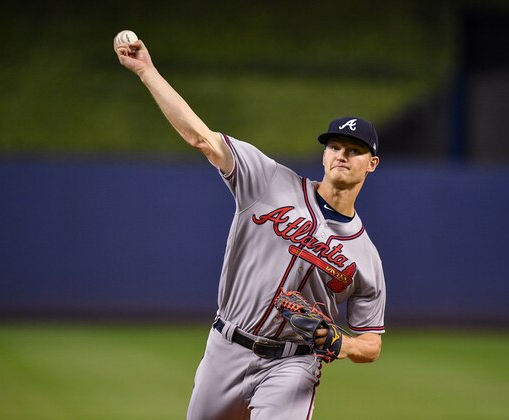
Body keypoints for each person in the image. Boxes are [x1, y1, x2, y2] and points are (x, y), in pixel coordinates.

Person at [114, 35, 386, 420]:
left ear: (370, 164)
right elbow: (201, 137)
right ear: (324, 154)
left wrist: (340, 343)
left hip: (292, 365)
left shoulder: (365, 256)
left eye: (354, 149)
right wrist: (146, 70)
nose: (342, 154)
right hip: (225, 349)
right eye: (335, 146)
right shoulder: (269, 181)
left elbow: (371, 344)